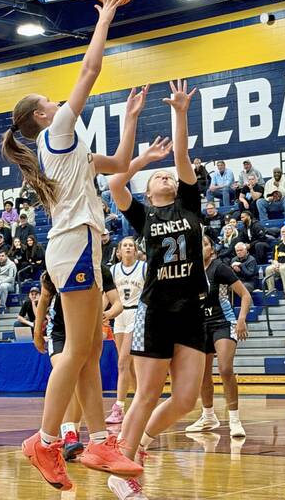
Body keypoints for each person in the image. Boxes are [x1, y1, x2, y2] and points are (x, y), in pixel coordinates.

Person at [0, 0, 144, 490]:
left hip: (78, 244)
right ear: (42, 116)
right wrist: (104, 17)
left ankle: (98, 441)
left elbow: (121, 166)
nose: (59, 102)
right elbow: (89, 72)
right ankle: (44, 440)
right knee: (80, 348)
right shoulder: (55, 133)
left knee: (84, 349)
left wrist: (129, 122)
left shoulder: (71, 149)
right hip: (75, 244)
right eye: (50, 102)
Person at [108, 79, 208, 500]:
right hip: (156, 308)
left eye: (166, 173)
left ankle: (141, 445)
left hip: (192, 308)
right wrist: (141, 158)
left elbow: (182, 155)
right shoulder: (144, 215)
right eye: (158, 175)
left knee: (185, 400)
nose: (165, 174)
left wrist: (180, 112)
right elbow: (115, 185)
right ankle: (121, 468)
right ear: (150, 191)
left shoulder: (188, 204)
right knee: (147, 392)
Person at [33, 268, 122, 462]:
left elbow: (117, 304)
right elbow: (44, 301)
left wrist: (106, 314)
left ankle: (72, 434)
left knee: (81, 378)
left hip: (85, 334)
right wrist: (37, 332)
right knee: (69, 376)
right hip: (59, 334)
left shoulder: (101, 270)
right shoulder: (59, 266)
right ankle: (68, 434)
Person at [186, 235, 251, 437]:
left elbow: (246, 295)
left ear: (211, 249)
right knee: (202, 375)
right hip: (199, 325)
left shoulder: (220, 268)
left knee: (225, 368)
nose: (201, 249)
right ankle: (208, 416)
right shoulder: (190, 272)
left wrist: (241, 320)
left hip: (223, 322)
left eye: (205, 245)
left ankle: (235, 419)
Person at [106, 237, 146, 424]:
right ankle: (143, 402)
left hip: (137, 314)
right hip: (119, 316)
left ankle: (119, 407)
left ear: (136, 250)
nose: (128, 247)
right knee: (128, 366)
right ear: (118, 252)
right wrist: (101, 314)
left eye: (131, 245)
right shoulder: (113, 270)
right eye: (125, 245)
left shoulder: (144, 268)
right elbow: (108, 297)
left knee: (122, 362)